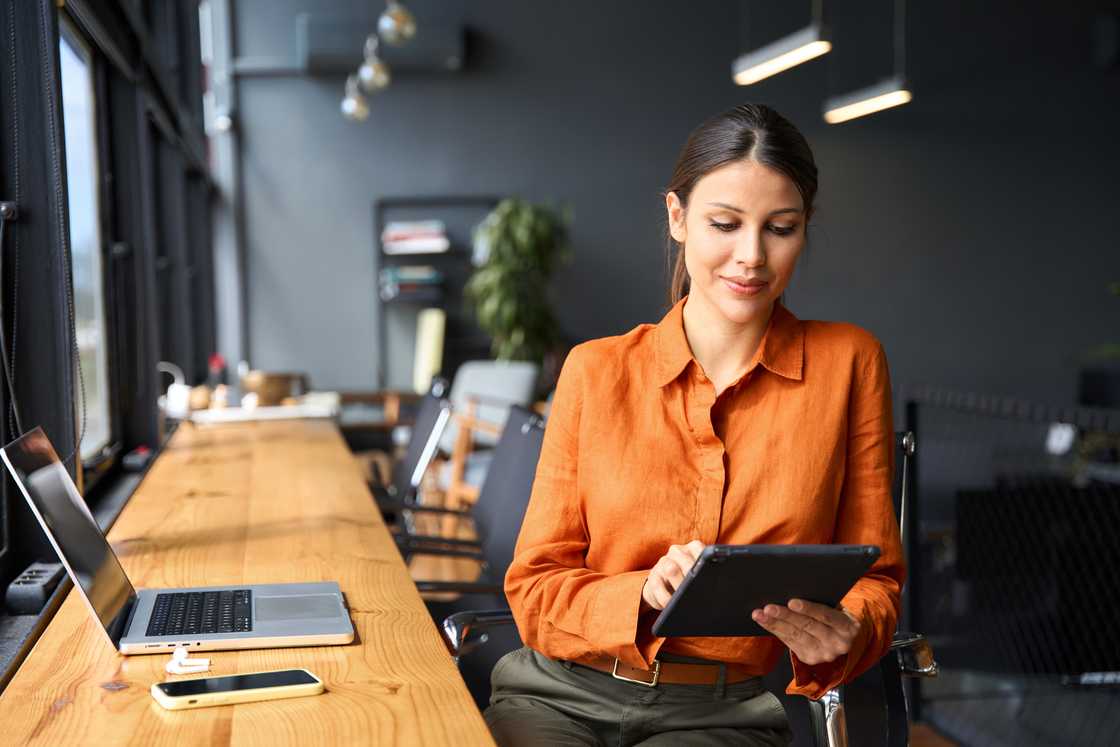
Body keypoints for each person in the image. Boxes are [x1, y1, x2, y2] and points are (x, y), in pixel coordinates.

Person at [484, 103, 905, 746]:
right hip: (558, 695)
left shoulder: (849, 364)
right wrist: (643, 593)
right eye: (725, 224)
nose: (751, 256)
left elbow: (877, 581)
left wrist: (849, 628)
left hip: (722, 714)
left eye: (781, 228)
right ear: (678, 218)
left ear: (804, 228)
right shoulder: (595, 371)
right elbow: (534, 586)